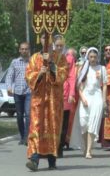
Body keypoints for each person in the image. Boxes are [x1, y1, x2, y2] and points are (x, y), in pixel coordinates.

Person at [25, 34, 68, 171]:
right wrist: (39, 74)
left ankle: (52, 160)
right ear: (40, 39)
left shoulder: (60, 57)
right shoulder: (34, 58)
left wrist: (51, 66)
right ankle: (34, 159)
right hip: (38, 100)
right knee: (37, 127)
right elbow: (28, 75)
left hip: (54, 101)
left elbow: (63, 74)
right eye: (44, 37)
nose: (46, 40)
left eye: (48, 38)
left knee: (52, 128)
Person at [71, 47, 107, 159]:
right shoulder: (83, 68)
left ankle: (89, 151)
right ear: (87, 57)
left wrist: (104, 100)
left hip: (97, 98)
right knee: (83, 123)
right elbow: (79, 86)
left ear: (98, 58)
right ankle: (85, 147)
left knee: (93, 124)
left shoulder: (102, 68)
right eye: (91, 57)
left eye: (95, 57)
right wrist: (82, 98)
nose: (93, 59)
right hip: (85, 97)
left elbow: (104, 85)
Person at [6, 42, 31, 145]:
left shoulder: (32, 62)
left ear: (28, 50)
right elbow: (9, 76)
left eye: (26, 49)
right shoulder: (14, 62)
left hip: (29, 91)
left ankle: (26, 137)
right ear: (19, 50)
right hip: (17, 93)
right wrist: (9, 87)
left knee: (28, 115)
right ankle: (22, 136)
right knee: (19, 115)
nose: (24, 51)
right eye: (22, 49)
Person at [59, 45, 76, 157]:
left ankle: (60, 147)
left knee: (64, 123)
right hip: (52, 94)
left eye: (61, 45)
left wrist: (71, 93)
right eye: (57, 45)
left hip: (65, 94)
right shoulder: (50, 56)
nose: (59, 47)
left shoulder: (69, 58)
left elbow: (72, 76)